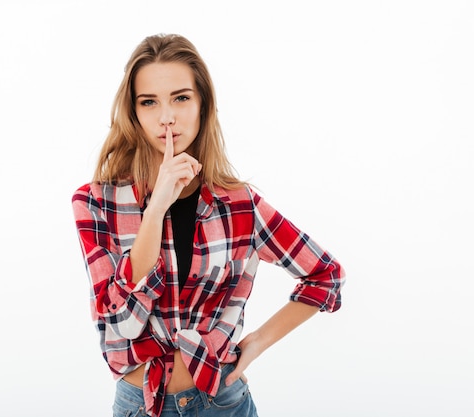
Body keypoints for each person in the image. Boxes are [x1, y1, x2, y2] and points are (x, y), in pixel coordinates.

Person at [72, 33, 345, 417]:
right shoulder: (96, 203)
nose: (167, 116)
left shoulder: (240, 205)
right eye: (149, 102)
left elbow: (325, 275)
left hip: (221, 403)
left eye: (181, 98)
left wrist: (254, 344)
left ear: (203, 105)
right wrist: (156, 209)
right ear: (133, 114)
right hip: (139, 406)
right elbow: (123, 323)